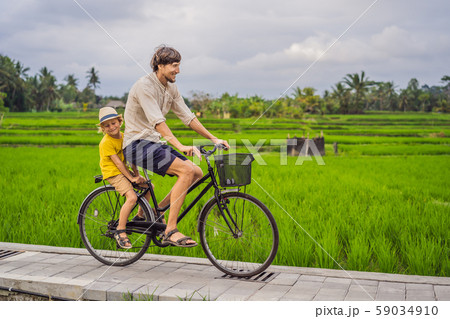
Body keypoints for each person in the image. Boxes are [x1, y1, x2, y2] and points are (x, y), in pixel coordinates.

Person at [123, 45, 230, 247]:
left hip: (153, 143)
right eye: (174, 66)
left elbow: (187, 117)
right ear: (160, 65)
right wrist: (180, 145)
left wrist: (213, 138)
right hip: (136, 144)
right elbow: (157, 122)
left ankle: (157, 211)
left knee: (196, 173)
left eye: (178, 65)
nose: (177, 71)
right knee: (187, 169)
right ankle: (170, 230)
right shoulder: (144, 86)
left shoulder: (171, 88)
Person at [98, 107, 151, 249]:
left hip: (124, 171)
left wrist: (136, 175)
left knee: (148, 187)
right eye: (107, 125)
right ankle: (120, 231)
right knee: (132, 198)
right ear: (103, 128)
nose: (111, 127)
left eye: (113, 123)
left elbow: (131, 157)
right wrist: (131, 178)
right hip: (113, 172)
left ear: (120, 122)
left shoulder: (124, 136)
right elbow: (118, 163)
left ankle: (140, 216)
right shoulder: (106, 143)